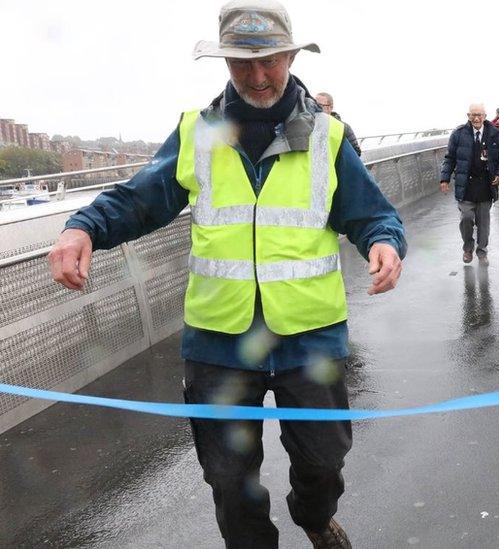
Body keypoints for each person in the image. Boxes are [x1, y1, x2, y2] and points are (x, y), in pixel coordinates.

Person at [48, 2, 407, 547]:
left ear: (289, 55)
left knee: (324, 463)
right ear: (224, 64)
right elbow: (140, 199)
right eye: (242, 64)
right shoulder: (197, 133)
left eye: (269, 61)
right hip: (219, 342)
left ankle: (313, 515)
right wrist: (84, 228)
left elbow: (370, 212)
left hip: (308, 338)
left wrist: (384, 241)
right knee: (229, 481)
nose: (258, 77)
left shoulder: (328, 137)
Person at [440, 103, 499, 265]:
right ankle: (468, 248)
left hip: (486, 185)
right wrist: (445, 178)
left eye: (479, 115)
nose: (476, 118)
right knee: (467, 218)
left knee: (483, 223)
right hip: (466, 186)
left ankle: (482, 252)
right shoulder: (458, 134)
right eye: (473, 115)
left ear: (485, 116)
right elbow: (450, 158)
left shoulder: (495, 134)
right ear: (468, 116)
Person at [315, 91, 361, 156]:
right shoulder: (308, 125)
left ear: (330, 108)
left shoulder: (343, 127)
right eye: (313, 104)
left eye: (319, 106)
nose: (315, 108)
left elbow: (356, 153)